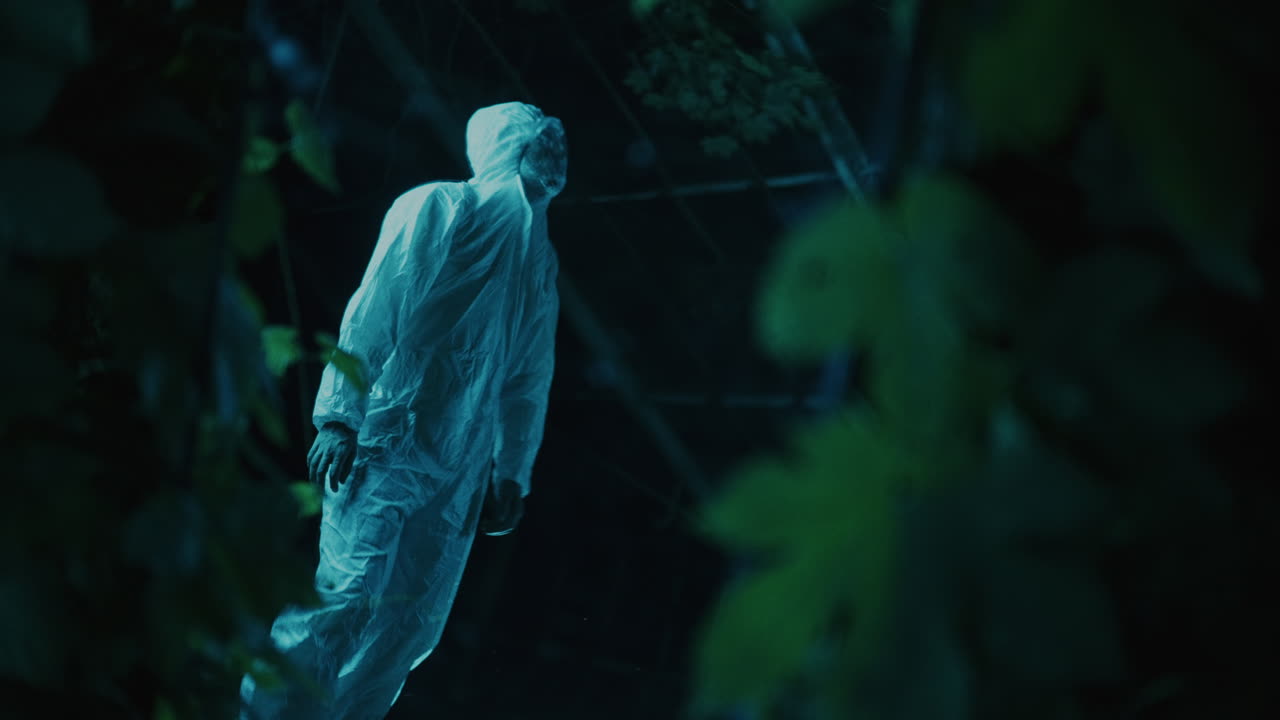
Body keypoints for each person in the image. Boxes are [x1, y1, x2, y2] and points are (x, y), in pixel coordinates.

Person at [241, 101, 565, 720]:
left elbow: (529, 375)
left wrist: (510, 472)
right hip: (389, 436)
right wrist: (340, 415)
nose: (556, 151)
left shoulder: (538, 259)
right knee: (344, 598)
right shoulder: (442, 206)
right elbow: (377, 305)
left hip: (461, 470)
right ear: (507, 143)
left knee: (410, 628)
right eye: (542, 138)